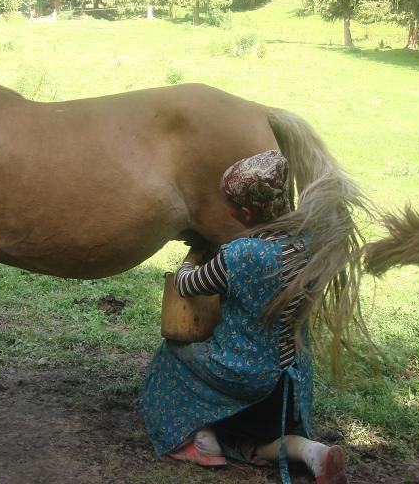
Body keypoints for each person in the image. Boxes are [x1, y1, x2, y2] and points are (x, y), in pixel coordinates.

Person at [139, 150, 348, 484]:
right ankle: (315, 453)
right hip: (288, 379)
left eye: (232, 205)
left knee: (172, 357)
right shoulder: (309, 241)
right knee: (251, 442)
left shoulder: (239, 255)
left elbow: (187, 284)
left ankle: (199, 439)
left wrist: (192, 255)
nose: (229, 211)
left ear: (247, 212)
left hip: (243, 374)